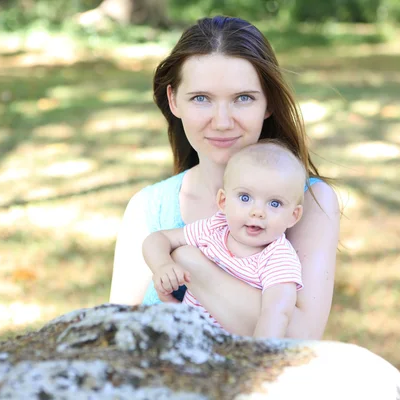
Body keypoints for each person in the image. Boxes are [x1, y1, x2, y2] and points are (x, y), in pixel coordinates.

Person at [110, 15, 340, 339]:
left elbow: (298, 340)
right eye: (201, 98)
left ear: (268, 104)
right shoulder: (147, 209)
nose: (221, 122)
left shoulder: (311, 204)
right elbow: (121, 337)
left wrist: (192, 263)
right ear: (174, 100)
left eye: (242, 98)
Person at [142, 141, 306, 338]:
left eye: (274, 203)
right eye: (245, 198)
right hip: (185, 338)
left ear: (293, 216)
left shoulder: (278, 257)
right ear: (223, 201)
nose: (258, 212)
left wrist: (260, 355)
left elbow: (276, 313)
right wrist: (162, 265)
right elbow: (158, 239)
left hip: (230, 351)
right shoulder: (214, 228)